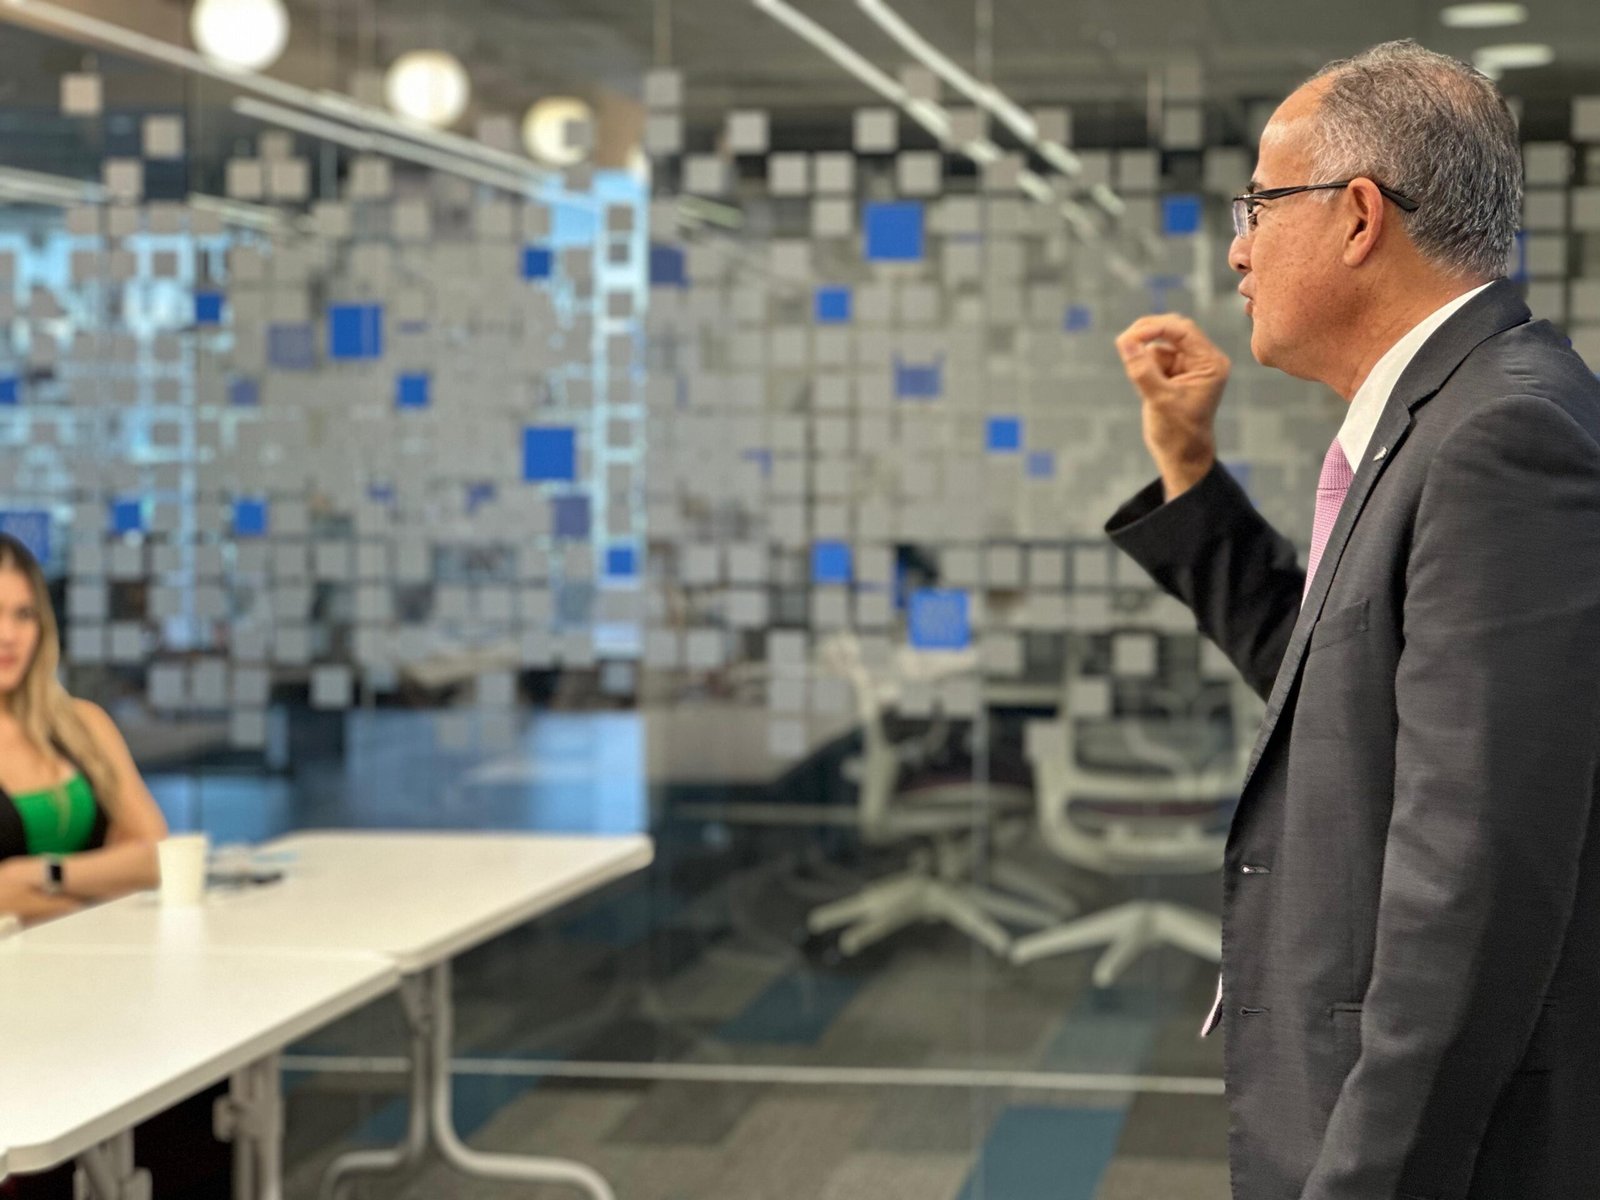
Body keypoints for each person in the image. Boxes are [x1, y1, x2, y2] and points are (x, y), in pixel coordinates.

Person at [1106, 40, 1600, 1200]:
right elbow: (1334, 682)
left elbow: (1472, 884)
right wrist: (1187, 471)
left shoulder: (1500, 436)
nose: (1237, 249)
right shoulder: (1449, 415)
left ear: (1358, 216)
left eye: (1258, 205)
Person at [0, 531, 167, 922]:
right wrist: (101, 884)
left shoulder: (81, 724)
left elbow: (156, 857)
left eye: (24, 614)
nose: (8, 636)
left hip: (95, 951)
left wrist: (42, 874)